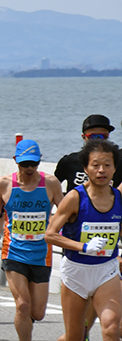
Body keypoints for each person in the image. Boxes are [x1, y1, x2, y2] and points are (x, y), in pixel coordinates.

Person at [0, 140, 63, 341]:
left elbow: (64, 212)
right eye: (24, 164)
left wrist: (60, 227)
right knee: (22, 305)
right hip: (14, 252)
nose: (29, 168)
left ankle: (25, 324)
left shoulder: (51, 183)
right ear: (15, 161)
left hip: (41, 255)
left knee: (37, 313)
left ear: (40, 161)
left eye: (33, 164)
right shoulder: (4, 183)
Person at [45, 139, 122, 341]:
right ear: (86, 168)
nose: (101, 170)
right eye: (95, 165)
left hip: (107, 271)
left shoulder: (119, 198)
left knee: (112, 328)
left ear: (115, 168)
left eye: (107, 165)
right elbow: (50, 234)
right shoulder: (75, 198)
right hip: (76, 272)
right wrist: (84, 246)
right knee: (75, 337)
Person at [55, 114, 121, 192]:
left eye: (103, 136)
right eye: (93, 136)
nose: (99, 140)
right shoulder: (69, 162)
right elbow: (53, 185)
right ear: (83, 137)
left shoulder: (118, 162)